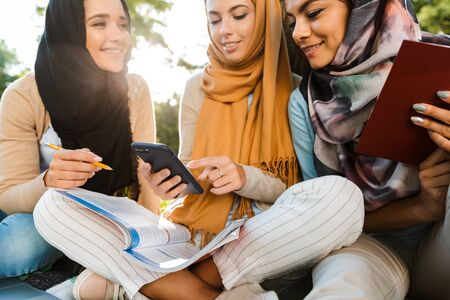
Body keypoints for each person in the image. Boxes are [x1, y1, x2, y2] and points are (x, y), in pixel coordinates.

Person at [34, 0, 365, 299]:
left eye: (238, 16)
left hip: (258, 235)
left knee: (341, 197)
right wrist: (167, 183)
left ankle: (156, 286)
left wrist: (243, 176)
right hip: (188, 233)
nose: (226, 31)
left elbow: (298, 192)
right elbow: (187, 172)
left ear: (264, 17)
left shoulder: (295, 91)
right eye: (215, 19)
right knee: (53, 206)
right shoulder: (196, 88)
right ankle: (204, 293)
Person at [286, 0, 450, 298]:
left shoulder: (441, 62)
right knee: (343, 287)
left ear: (362, 7)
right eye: (291, 21)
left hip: (444, 237)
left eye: (312, 13)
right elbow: (328, 218)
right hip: (369, 245)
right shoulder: (304, 104)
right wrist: (422, 207)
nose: (298, 33)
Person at [0, 0, 158, 278]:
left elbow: (146, 182)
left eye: (123, 24)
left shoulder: (134, 88)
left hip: (101, 218)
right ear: (68, 28)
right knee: (22, 245)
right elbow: (9, 195)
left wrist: (153, 241)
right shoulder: (23, 95)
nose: (118, 35)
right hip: (34, 213)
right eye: (99, 23)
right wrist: (50, 181)